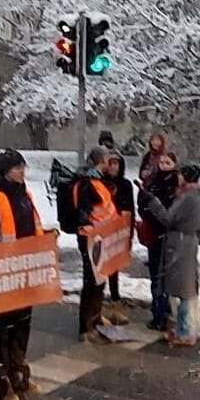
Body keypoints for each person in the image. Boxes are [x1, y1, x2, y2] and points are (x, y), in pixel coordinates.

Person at [0, 149, 45, 400]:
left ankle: (19, 374)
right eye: (17, 168)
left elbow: (31, 229)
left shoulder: (25, 195)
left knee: (21, 326)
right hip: (2, 274)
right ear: (6, 172)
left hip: (25, 272)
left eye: (22, 167)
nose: (22, 172)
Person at [136, 163, 200, 347]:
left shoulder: (188, 198)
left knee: (182, 289)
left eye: (181, 175)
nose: (178, 177)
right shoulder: (195, 196)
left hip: (180, 245)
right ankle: (187, 328)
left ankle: (185, 332)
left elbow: (168, 218)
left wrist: (152, 201)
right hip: (187, 243)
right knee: (184, 288)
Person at [72, 146, 120, 343]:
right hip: (90, 238)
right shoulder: (87, 183)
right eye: (108, 159)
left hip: (101, 237)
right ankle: (86, 327)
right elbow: (85, 212)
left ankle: (96, 317)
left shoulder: (98, 182)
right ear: (102, 161)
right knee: (91, 281)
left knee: (99, 280)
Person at [138, 151, 180, 331]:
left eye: (168, 162)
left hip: (169, 236)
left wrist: (155, 209)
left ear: (174, 164)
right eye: (161, 162)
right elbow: (142, 202)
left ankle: (164, 311)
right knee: (156, 275)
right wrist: (146, 211)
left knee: (165, 276)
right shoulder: (152, 181)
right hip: (153, 234)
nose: (163, 165)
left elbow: (172, 214)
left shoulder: (176, 184)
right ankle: (158, 312)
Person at [101, 150, 135, 303]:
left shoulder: (125, 184)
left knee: (114, 263)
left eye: (115, 164)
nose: (113, 167)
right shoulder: (101, 182)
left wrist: (129, 232)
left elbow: (130, 209)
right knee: (100, 262)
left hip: (118, 227)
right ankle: (99, 292)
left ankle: (115, 293)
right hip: (103, 227)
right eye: (110, 163)